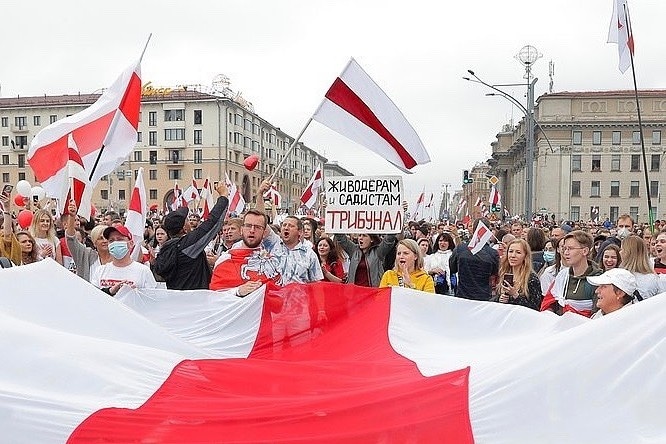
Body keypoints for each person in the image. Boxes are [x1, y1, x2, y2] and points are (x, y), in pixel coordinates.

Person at [155, 181, 229, 290]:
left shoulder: (165, 249)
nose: (189, 222)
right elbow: (212, 223)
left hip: (176, 300)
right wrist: (223, 196)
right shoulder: (187, 245)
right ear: (183, 228)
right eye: (187, 220)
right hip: (195, 301)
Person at [541, 230, 602, 317]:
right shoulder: (562, 276)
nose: (566, 253)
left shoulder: (597, 280)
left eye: (571, 249)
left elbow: (598, 313)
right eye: (565, 248)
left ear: (585, 251)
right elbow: (549, 303)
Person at [90, 225, 157, 295]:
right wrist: (110, 291)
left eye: (119, 239)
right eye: (111, 240)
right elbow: (93, 297)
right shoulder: (100, 271)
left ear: (131, 243)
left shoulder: (143, 271)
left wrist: (137, 294)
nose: (115, 243)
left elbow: (152, 299)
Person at [449, 218, 499, 301]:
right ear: (487, 231)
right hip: (482, 297)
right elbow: (494, 272)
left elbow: (452, 268)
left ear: (473, 230)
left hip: (464, 297)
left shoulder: (460, 249)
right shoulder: (492, 253)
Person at [496, 239, 542, 310]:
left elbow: (535, 307)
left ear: (525, 256)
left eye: (518, 252)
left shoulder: (531, 278)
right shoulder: (505, 273)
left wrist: (515, 295)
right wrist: (499, 299)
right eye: (511, 251)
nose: (513, 255)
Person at [619, 235, 659, 300]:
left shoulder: (621, 277)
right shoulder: (653, 278)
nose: (620, 252)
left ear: (629, 253)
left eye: (622, 249)